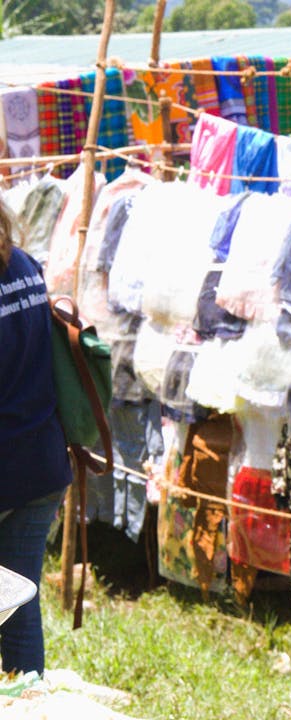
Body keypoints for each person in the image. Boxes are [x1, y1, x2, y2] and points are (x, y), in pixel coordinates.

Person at [0, 204, 72, 674]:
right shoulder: (25, 264)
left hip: (10, 466)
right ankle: (29, 700)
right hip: (41, 461)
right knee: (19, 608)